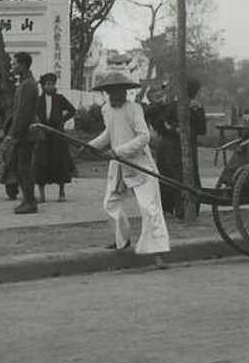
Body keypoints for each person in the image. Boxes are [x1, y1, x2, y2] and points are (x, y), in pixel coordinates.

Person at [88, 71, 170, 270]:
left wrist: (118, 151)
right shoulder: (106, 109)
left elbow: (144, 137)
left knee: (149, 209)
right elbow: (110, 133)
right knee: (110, 203)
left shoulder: (134, 109)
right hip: (118, 165)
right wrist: (92, 145)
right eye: (113, 92)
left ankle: (157, 253)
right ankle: (122, 239)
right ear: (107, 93)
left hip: (140, 164)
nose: (118, 96)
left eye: (121, 92)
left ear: (126, 92)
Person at [154, 76, 208, 218]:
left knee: (168, 178)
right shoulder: (196, 107)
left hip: (168, 147)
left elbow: (159, 126)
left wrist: (171, 130)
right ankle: (186, 211)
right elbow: (202, 130)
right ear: (195, 91)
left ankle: (168, 210)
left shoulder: (169, 106)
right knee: (187, 178)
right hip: (187, 148)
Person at [3, 52, 40, 214]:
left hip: (25, 133)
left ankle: (30, 201)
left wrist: (13, 134)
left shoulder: (27, 85)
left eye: (14, 63)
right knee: (21, 167)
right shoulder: (26, 83)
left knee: (24, 168)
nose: (12, 66)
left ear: (23, 65)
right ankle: (27, 199)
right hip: (24, 132)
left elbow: (22, 113)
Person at [33, 72, 76, 202]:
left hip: (57, 135)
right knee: (41, 163)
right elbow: (33, 114)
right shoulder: (38, 100)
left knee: (60, 162)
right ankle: (41, 194)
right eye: (48, 84)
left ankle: (61, 192)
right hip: (42, 136)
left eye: (53, 84)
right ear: (43, 86)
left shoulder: (59, 98)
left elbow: (72, 110)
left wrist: (62, 119)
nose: (51, 86)